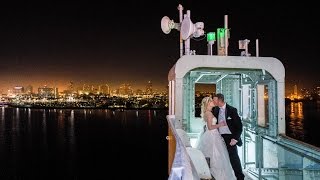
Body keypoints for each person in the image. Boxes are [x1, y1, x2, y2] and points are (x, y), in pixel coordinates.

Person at [196, 96, 236, 180]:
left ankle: (210, 175)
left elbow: (207, 126)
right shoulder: (209, 113)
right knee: (216, 156)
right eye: (211, 101)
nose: (213, 102)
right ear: (208, 103)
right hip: (212, 136)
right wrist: (221, 124)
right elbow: (210, 127)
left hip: (212, 135)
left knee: (214, 155)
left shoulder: (208, 112)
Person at [213, 93, 245, 180]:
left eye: (215, 100)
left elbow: (239, 126)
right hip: (218, 137)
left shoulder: (232, 110)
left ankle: (240, 177)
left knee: (233, 157)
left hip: (230, 138)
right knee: (218, 157)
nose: (213, 101)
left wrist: (235, 139)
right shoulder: (215, 109)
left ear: (220, 100)